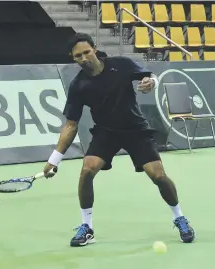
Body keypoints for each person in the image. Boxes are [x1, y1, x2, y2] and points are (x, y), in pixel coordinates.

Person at [43, 33, 195, 247]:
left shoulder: (121, 65)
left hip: (135, 129)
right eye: (79, 56)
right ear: (73, 58)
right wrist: (54, 160)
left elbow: (150, 75)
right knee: (87, 170)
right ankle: (87, 227)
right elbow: (71, 125)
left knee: (158, 175)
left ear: (94, 49)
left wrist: (150, 81)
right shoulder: (78, 86)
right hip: (106, 132)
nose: (84, 58)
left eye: (87, 52)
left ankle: (179, 217)